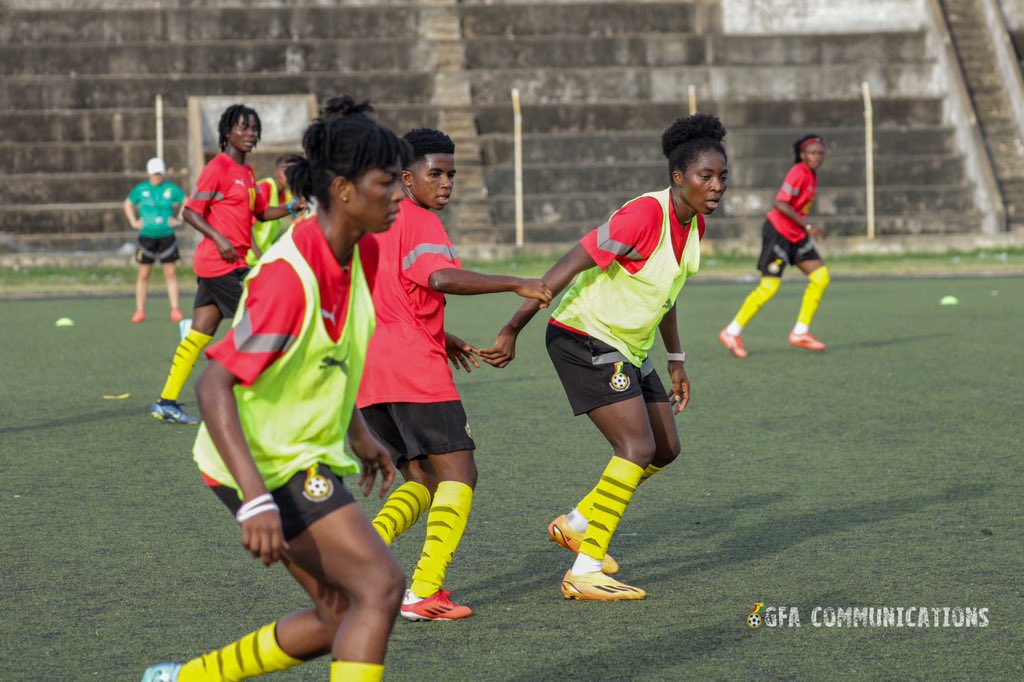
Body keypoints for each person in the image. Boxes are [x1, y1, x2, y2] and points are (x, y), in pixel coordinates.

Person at [141, 97, 407, 682]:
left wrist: (359, 432)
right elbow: (216, 385)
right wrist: (256, 498)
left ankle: (184, 679)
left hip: (294, 456)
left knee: (338, 615)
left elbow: (333, 354)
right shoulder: (289, 277)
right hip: (262, 464)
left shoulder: (361, 251)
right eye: (386, 183)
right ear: (341, 189)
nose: (398, 195)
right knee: (381, 586)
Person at [479, 113, 729, 601]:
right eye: (706, 176)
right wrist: (512, 327)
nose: (717, 186)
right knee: (635, 449)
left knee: (664, 450)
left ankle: (576, 522)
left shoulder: (693, 223)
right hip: (582, 337)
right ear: (679, 177)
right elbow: (567, 268)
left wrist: (675, 358)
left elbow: (666, 291)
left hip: (628, 346)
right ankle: (585, 569)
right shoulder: (642, 216)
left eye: (722, 177)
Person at [357, 127, 552, 620]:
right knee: (459, 472)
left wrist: (444, 338)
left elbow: (388, 295)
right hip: (412, 371)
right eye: (435, 173)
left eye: (451, 175)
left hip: (370, 374)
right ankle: (424, 591)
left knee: (420, 479)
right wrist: (515, 282)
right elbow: (439, 277)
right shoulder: (418, 218)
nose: (445, 183)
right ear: (407, 177)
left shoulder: (377, 222)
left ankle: (356, 560)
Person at [150, 104, 305, 424]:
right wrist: (220, 239)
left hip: (222, 267)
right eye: (243, 128)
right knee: (264, 323)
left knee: (199, 333)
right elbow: (191, 212)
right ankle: (256, 402)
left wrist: (291, 206)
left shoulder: (247, 173)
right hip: (222, 265)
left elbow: (260, 213)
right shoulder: (217, 167)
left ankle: (166, 402)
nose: (250, 134)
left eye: (254, 129)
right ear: (226, 133)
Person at [718, 134, 830, 357]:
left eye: (820, 153)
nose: (817, 157)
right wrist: (808, 225)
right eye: (812, 153)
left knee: (821, 276)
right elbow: (780, 203)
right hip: (778, 233)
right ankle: (731, 332)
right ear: (802, 155)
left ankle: (800, 332)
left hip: (796, 236)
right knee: (769, 287)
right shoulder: (798, 172)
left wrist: (804, 228)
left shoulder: (811, 174)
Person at [123, 157, 188, 323]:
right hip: (146, 237)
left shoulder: (170, 189)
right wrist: (133, 221)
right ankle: (140, 310)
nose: (156, 177)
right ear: (148, 173)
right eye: (153, 173)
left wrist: (179, 219)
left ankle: (175, 309)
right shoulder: (141, 189)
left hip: (167, 236)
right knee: (144, 273)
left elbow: (186, 202)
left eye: (159, 173)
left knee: (171, 272)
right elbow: (128, 204)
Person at [246, 153, 304, 266]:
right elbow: (245, 226)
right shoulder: (264, 188)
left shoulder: (287, 196)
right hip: (248, 259)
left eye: (294, 171)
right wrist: (261, 258)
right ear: (276, 169)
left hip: (261, 257)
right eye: (286, 170)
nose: (289, 175)